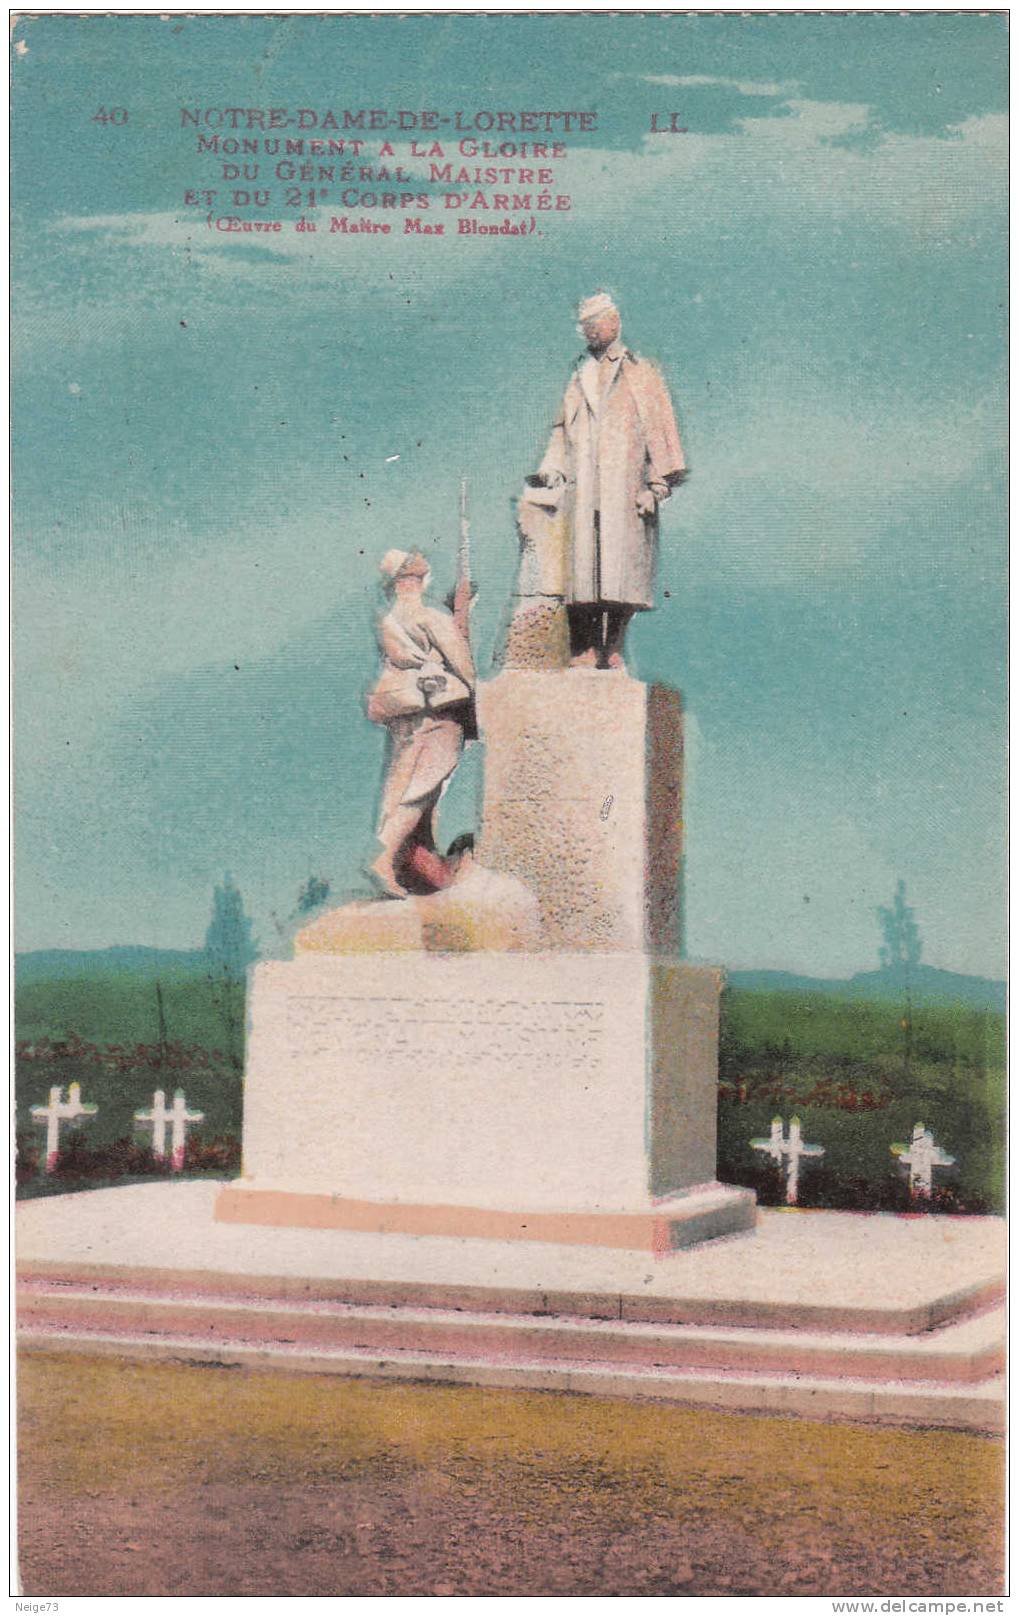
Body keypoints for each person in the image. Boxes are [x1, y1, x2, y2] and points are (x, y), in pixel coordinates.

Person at [534, 292, 686, 669]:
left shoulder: (643, 373)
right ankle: (584, 645)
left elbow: (661, 433)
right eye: (583, 327)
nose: (586, 333)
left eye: (593, 325)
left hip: (625, 485)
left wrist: (657, 487)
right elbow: (560, 430)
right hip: (583, 485)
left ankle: (614, 644)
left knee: (622, 572)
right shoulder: (579, 373)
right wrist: (552, 467)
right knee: (583, 569)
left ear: (613, 323)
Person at [365, 549, 476, 897]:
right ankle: (383, 858)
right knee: (421, 789)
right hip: (438, 714)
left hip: (405, 713)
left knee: (407, 788)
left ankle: (419, 867)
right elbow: (462, 665)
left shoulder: (389, 621)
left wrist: (460, 615)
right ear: (418, 578)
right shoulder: (429, 617)